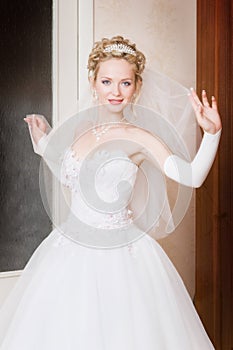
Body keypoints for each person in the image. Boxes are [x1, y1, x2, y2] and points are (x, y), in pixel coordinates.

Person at [0, 35, 221, 349]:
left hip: (121, 257)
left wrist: (212, 135)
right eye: (107, 81)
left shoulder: (140, 137)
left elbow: (193, 177)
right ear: (93, 82)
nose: (116, 92)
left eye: (125, 83)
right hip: (68, 251)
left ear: (137, 86)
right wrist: (44, 146)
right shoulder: (79, 130)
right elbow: (73, 177)